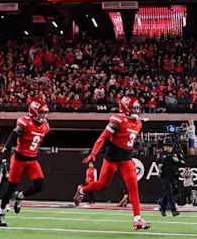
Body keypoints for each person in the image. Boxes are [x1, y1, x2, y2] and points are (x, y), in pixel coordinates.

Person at [74, 95, 150, 230]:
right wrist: (93, 153)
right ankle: (82, 190)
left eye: (137, 108)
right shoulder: (117, 120)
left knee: (133, 186)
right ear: (126, 108)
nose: (136, 111)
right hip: (112, 159)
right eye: (134, 108)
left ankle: (137, 219)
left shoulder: (138, 123)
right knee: (102, 185)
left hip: (126, 159)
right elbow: (103, 138)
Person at [0, 100, 50, 227]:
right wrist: (5, 159)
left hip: (32, 160)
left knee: (40, 185)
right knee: (10, 188)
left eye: (45, 113)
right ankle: (1, 213)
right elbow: (10, 141)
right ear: (34, 112)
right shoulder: (24, 123)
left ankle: (20, 196)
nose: (44, 116)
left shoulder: (46, 126)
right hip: (19, 159)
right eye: (42, 113)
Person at [156, 138, 184, 216]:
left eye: (166, 145)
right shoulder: (162, 154)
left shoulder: (176, 153)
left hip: (174, 175)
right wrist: (159, 165)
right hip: (165, 176)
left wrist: (177, 160)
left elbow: (183, 162)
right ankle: (173, 210)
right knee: (170, 192)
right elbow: (157, 161)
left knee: (171, 192)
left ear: (170, 146)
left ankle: (162, 205)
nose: (164, 147)